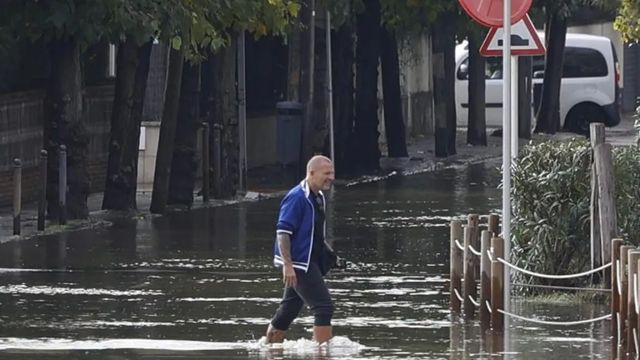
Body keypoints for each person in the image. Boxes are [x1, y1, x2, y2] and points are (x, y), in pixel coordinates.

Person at [264, 155, 336, 345]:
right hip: (297, 263)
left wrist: (331, 255)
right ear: (311, 173)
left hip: (308, 260)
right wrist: (288, 265)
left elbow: (315, 235)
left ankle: (270, 349)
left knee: (288, 309)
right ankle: (322, 353)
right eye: (326, 173)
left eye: (332, 173)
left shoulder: (318, 197)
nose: (331, 177)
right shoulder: (297, 197)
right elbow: (283, 232)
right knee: (323, 307)